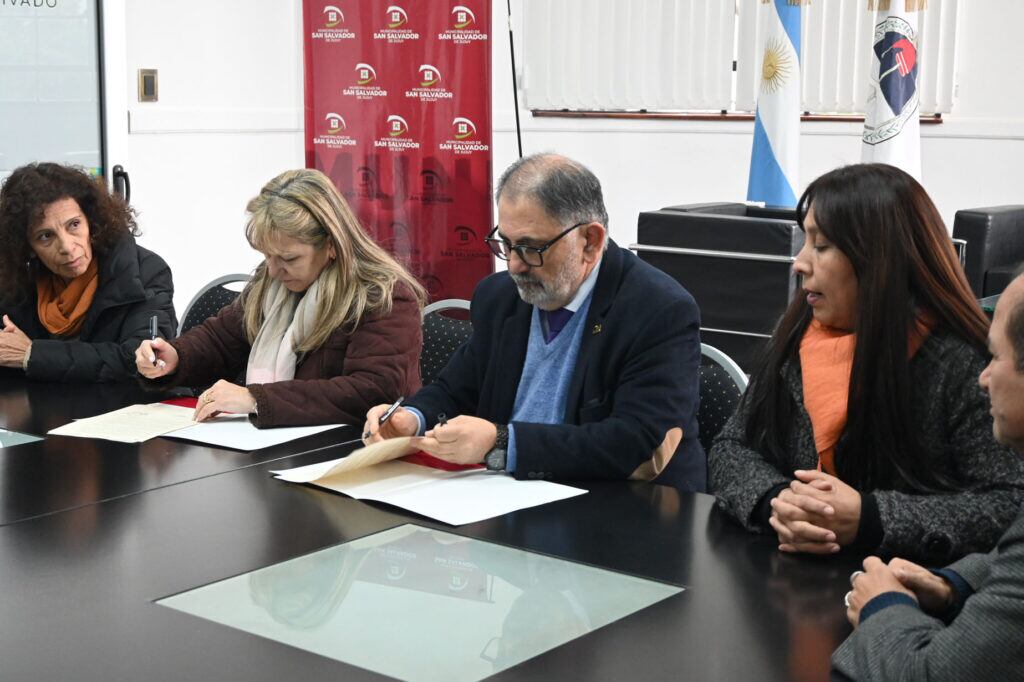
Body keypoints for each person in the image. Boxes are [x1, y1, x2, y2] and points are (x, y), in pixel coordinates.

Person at [708, 163, 1024, 564]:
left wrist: (871, 519)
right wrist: (777, 500)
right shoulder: (800, 332)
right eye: (805, 243)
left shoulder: (962, 361)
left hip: (915, 597)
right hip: (790, 580)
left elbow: (1009, 503)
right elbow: (731, 446)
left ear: (878, 260)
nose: (800, 262)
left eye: (821, 246)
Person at [362, 153, 704, 491]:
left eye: (531, 248)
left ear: (590, 241)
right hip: (507, 495)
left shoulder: (658, 310)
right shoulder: (499, 297)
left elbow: (635, 443)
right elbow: (456, 388)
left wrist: (502, 444)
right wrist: (412, 418)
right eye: (506, 244)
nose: (513, 265)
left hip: (621, 508)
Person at [832, 269, 1024, 680]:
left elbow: (929, 674)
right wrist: (954, 585)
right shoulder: (797, 339)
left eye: (996, 357)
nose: (984, 377)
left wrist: (882, 606)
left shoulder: (949, 359)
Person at [136, 168, 424, 427]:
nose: (273, 270)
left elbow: (371, 391)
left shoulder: (383, 296)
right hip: (281, 446)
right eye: (266, 256)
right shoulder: (273, 282)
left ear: (332, 246)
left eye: (288, 258)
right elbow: (222, 339)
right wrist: (176, 356)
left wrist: (256, 399)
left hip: (352, 451)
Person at [0, 163, 176, 382]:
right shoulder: (19, 282)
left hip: (128, 408)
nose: (66, 246)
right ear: (27, 247)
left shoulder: (146, 270)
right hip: (48, 410)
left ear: (92, 222)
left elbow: (139, 360)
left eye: (74, 225)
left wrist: (32, 354)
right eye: (46, 236)